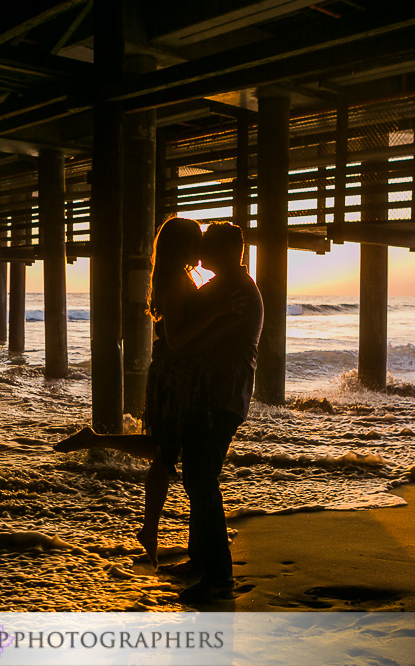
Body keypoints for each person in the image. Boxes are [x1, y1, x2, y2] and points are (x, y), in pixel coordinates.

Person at [54, 217, 237, 567]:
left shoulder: (176, 277)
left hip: (174, 373)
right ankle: (148, 524)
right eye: (196, 242)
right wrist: (220, 311)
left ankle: (148, 526)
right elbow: (178, 339)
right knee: (164, 451)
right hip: (175, 376)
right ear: (182, 247)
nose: (201, 249)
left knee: (163, 452)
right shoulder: (174, 281)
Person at [176, 222, 262, 602]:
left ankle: (219, 577)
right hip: (216, 395)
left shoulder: (239, 291)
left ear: (229, 250)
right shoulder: (224, 286)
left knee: (202, 479)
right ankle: (200, 560)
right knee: (197, 477)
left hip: (223, 397)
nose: (201, 252)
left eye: (208, 246)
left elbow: (199, 342)